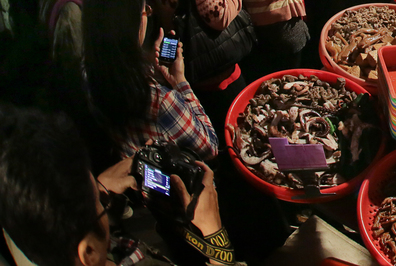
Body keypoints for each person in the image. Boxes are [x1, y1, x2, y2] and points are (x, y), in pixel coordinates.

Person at [0, 104, 231, 266]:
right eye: (99, 203)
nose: (104, 197)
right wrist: (215, 235)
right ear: (88, 252)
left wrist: (102, 190)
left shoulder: (22, 224)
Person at [82, 0, 218, 160]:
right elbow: (210, 146)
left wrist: (152, 70)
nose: (148, 14)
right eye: (144, 10)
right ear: (130, 23)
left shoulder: (85, 71)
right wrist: (180, 81)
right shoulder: (160, 101)